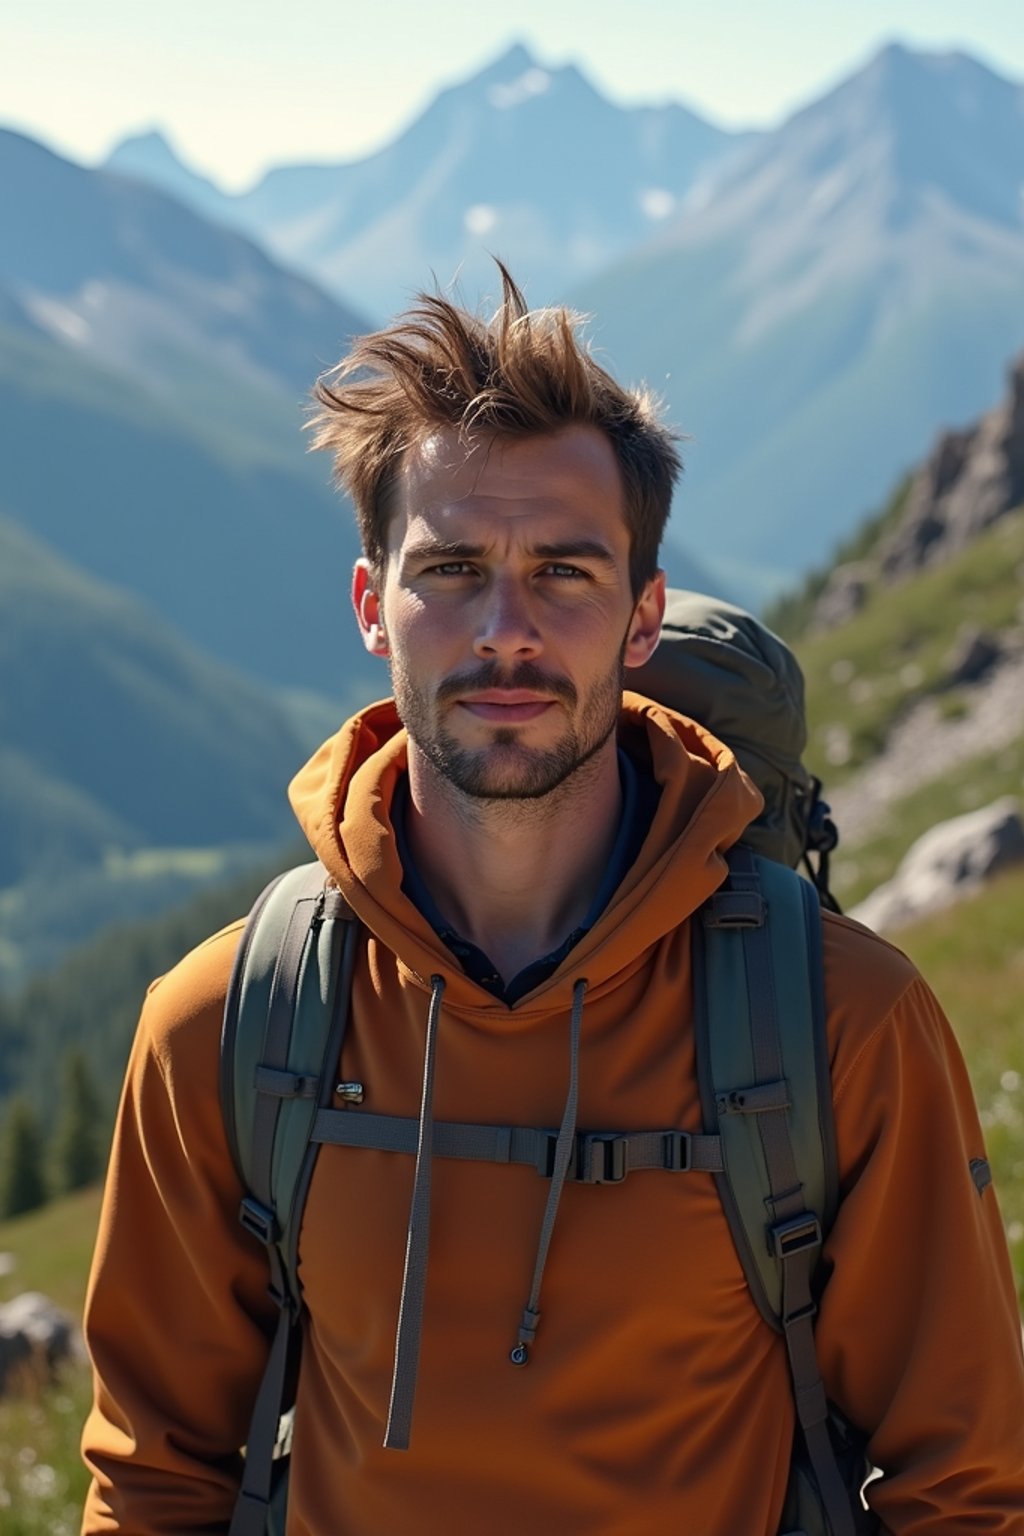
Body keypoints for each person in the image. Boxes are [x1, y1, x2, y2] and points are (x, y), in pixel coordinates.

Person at [81, 268, 1024, 1534]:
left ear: (643, 619)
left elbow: (965, 1486)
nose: (505, 629)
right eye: (453, 567)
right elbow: (153, 1481)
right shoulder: (227, 1024)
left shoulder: (839, 1022)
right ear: (374, 607)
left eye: (565, 574)